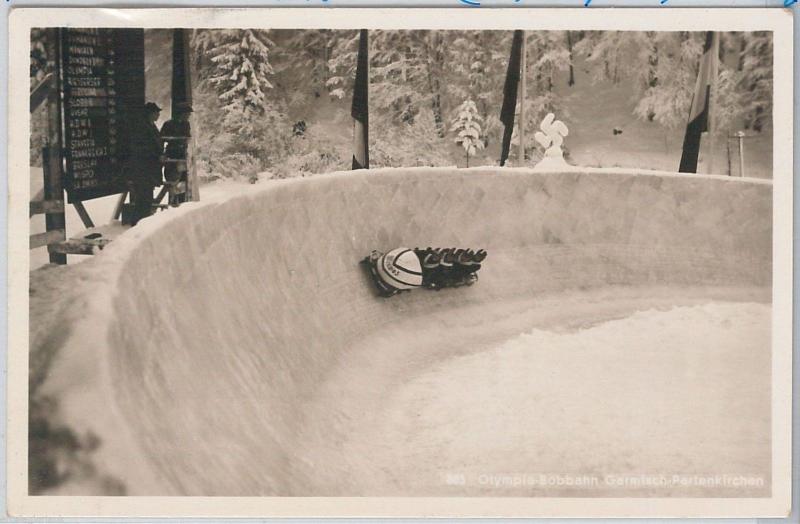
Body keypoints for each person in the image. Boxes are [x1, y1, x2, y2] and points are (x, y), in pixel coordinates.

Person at [127, 102, 164, 225]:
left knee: (147, 197)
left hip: (150, 168)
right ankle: (137, 223)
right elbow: (140, 148)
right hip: (142, 168)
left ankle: (143, 222)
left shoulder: (151, 126)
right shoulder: (142, 127)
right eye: (156, 112)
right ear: (150, 113)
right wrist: (156, 155)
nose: (158, 114)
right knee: (143, 198)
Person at [160, 102, 193, 205]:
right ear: (181, 113)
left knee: (182, 179)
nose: (188, 116)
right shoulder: (168, 124)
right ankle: (172, 200)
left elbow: (187, 137)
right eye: (187, 114)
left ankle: (181, 200)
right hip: (172, 154)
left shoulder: (186, 124)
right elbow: (161, 139)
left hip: (182, 154)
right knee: (171, 178)